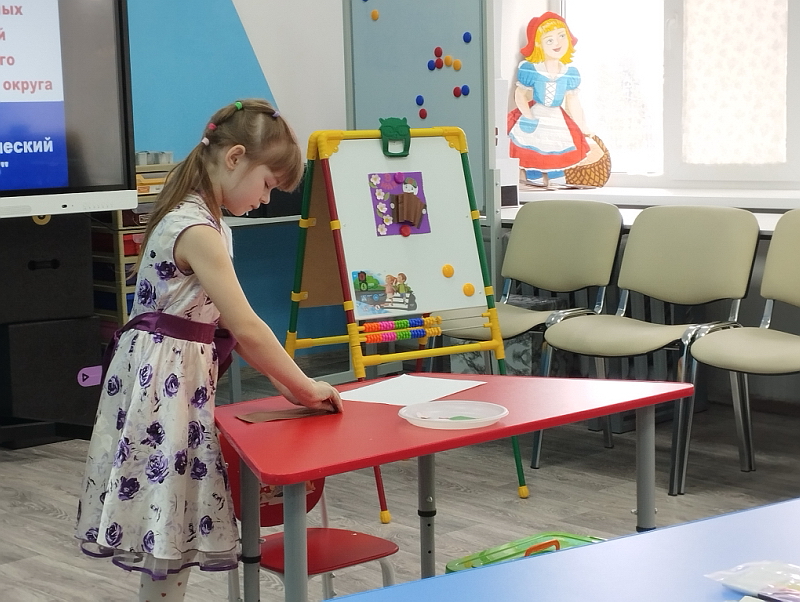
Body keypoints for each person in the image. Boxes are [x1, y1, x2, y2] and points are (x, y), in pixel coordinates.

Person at [75, 99, 342, 602]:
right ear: (235, 157)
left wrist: (288, 384)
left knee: (171, 522)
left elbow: (226, 326)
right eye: (267, 184)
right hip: (164, 388)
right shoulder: (197, 228)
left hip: (172, 381)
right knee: (168, 521)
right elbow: (247, 327)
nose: (265, 199)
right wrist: (305, 386)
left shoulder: (206, 220)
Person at [507, 12, 602, 186]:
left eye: (561, 36)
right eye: (549, 40)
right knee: (533, 145)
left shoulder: (569, 73)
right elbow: (520, 94)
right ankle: (533, 177)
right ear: (539, 44)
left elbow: (573, 101)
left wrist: (582, 125)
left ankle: (556, 178)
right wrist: (527, 116)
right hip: (537, 112)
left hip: (556, 117)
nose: (557, 43)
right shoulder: (531, 69)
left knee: (557, 145)